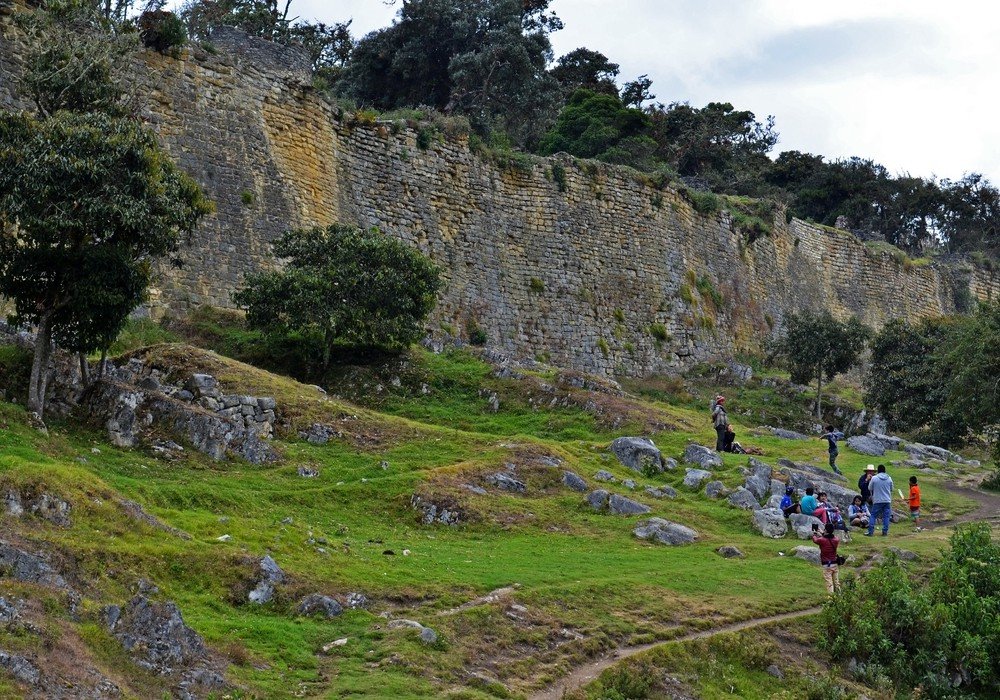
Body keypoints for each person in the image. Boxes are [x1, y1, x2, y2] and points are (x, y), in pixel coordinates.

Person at [812, 522, 842, 594]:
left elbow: (815, 540)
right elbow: (829, 538)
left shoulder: (821, 540)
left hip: (826, 565)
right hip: (835, 563)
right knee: (836, 582)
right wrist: (823, 533)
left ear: (825, 530)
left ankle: (831, 599)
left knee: (829, 583)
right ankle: (840, 597)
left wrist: (814, 533)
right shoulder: (836, 540)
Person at [866, 464, 894, 536]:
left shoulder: (874, 478)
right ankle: (885, 532)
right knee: (886, 516)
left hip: (877, 500)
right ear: (885, 470)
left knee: (873, 515)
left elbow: (870, 488)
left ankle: (871, 531)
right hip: (887, 500)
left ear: (878, 470)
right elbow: (892, 489)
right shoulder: (889, 478)